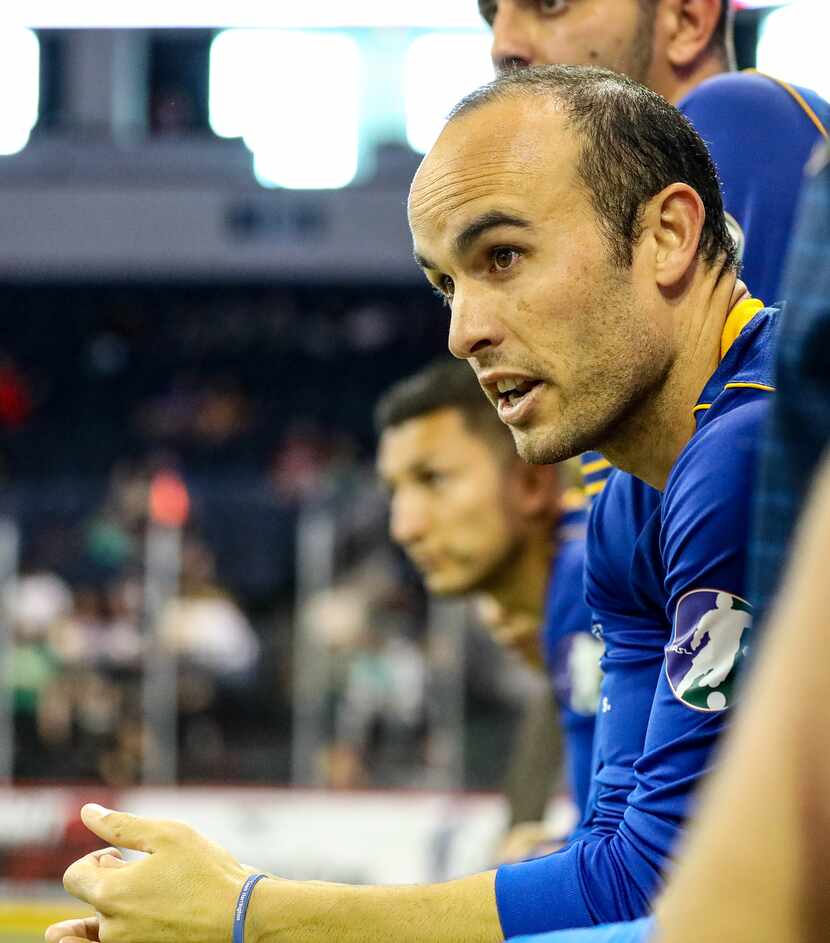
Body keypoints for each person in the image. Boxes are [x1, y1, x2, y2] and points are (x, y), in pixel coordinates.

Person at [49, 65, 778, 942]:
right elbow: (614, 863)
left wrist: (253, 915)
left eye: (502, 256)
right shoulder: (629, 506)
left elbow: (658, 891)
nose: (462, 330)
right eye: (446, 284)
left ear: (667, 235)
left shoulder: (749, 449)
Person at [375, 357, 600, 832]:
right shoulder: (570, 590)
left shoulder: (594, 583)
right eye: (394, 490)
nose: (405, 527)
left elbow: (635, 867)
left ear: (532, 482)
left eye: (433, 479)